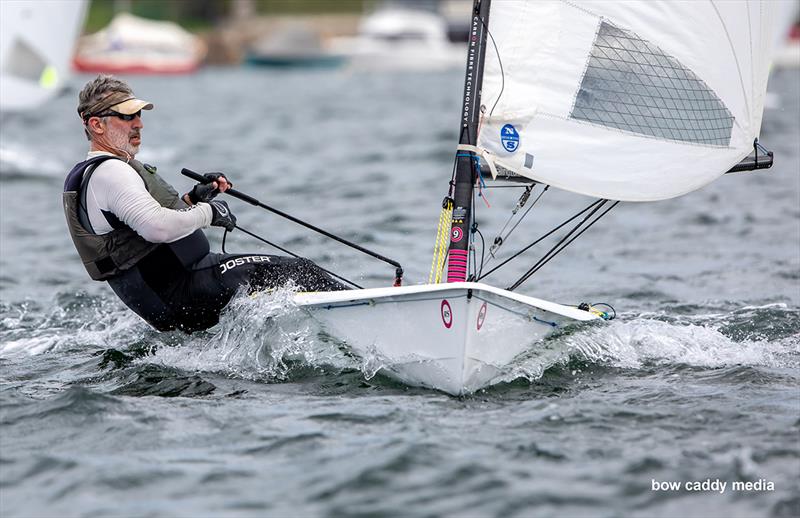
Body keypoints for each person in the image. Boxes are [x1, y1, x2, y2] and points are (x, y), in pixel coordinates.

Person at [63, 74, 346, 333]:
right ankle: (363, 312)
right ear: (96, 124)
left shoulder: (105, 172)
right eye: (126, 116)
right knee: (298, 271)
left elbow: (141, 228)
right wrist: (209, 212)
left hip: (181, 291)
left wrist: (195, 198)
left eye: (137, 114)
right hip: (187, 288)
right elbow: (157, 228)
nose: (138, 123)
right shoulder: (110, 172)